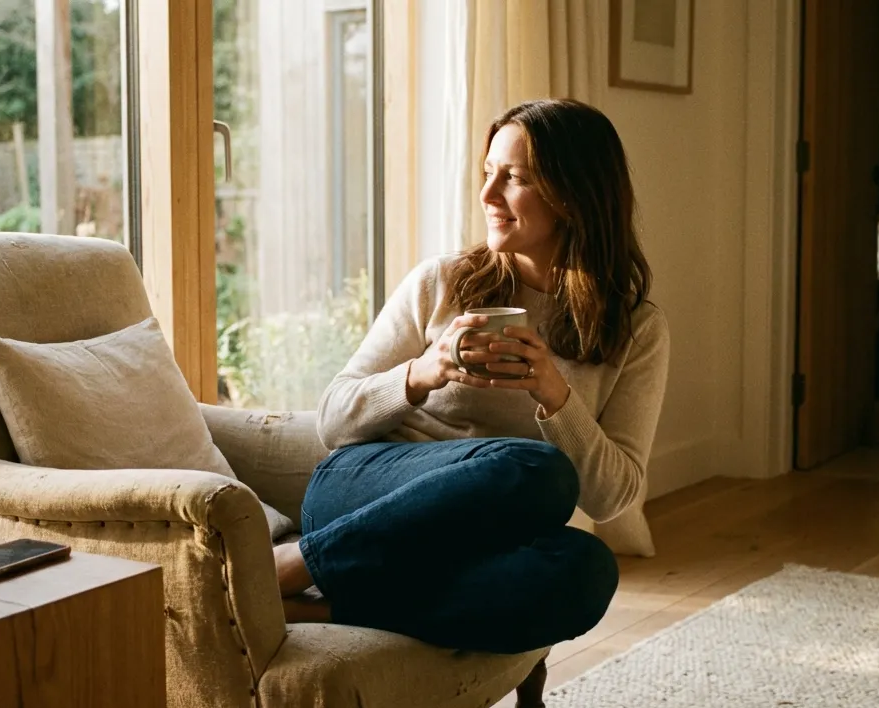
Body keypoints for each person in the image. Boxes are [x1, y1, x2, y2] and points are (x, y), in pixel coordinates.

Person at [273, 98, 671, 655]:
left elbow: (613, 498)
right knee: (538, 469)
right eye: (488, 174)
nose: (488, 197)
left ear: (573, 195)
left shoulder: (636, 329)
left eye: (514, 179)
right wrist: (422, 371)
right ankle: (291, 566)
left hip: (485, 527)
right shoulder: (442, 281)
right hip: (365, 490)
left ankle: (327, 605)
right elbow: (334, 419)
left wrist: (556, 397)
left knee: (587, 569)